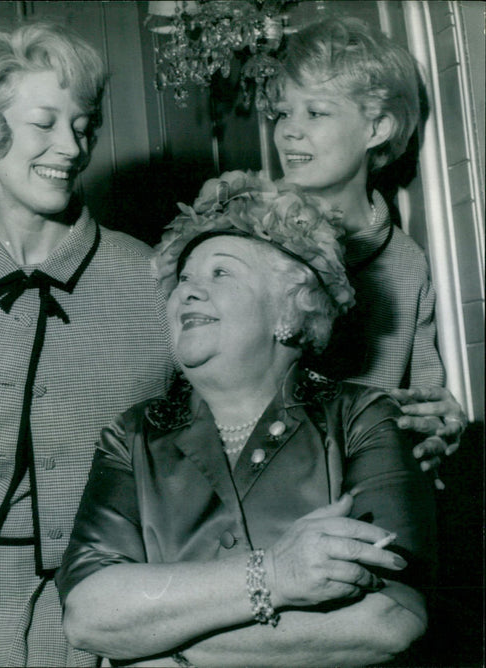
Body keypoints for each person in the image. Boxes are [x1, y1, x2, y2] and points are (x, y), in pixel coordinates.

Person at [57, 171, 437, 667]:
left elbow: (388, 620)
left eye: (221, 273)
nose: (188, 293)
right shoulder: (133, 435)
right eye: (184, 280)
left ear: (289, 312)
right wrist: (275, 574)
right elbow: (88, 615)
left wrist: (163, 646)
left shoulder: (363, 419)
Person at [0, 22, 174, 668]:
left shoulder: (155, 278)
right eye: (44, 123)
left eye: (82, 125)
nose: (71, 148)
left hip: (106, 602)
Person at [267, 16, 466, 474]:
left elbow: (424, 401)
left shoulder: (406, 263)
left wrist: (437, 426)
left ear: (377, 129)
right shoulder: (239, 238)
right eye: (282, 112)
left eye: (314, 112)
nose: (287, 131)